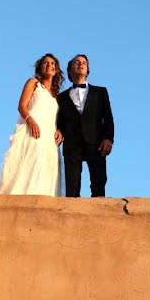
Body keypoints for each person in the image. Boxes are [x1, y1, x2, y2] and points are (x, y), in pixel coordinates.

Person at [0, 54, 64, 196]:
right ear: (40, 67)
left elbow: (56, 117)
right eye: (45, 63)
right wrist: (30, 120)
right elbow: (22, 105)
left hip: (49, 136)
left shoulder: (56, 96)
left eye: (52, 63)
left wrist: (59, 130)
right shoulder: (33, 83)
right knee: (31, 162)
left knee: (46, 167)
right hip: (33, 129)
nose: (49, 65)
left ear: (56, 69)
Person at [56, 54, 114, 197]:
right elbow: (60, 120)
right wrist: (59, 130)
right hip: (72, 144)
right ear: (69, 70)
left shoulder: (100, 92)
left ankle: (100, 213)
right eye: (77, 62)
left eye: (84, 63)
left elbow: (108, 117)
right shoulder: (61, 97)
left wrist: (108, 138)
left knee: (99, 181)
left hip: (96, 141)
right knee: (72, 184)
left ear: (87, 69)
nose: (81, 64)